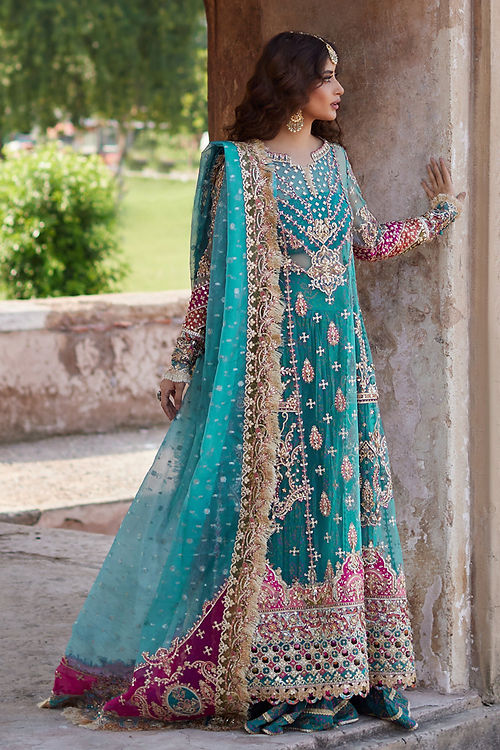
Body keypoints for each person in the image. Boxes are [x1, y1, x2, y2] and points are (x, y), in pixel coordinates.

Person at [41, 31, 465, 735]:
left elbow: (363, 241)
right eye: (327, 76)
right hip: (271, 372)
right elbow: (211, 277)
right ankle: (274, 670)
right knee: (276, 512)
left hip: (341, 370)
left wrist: (439, 217)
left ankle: (344, 667)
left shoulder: (336, 164)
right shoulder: (237, 169)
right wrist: (182, 361)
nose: (339, 89)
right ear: (293, 84)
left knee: (338, 506)